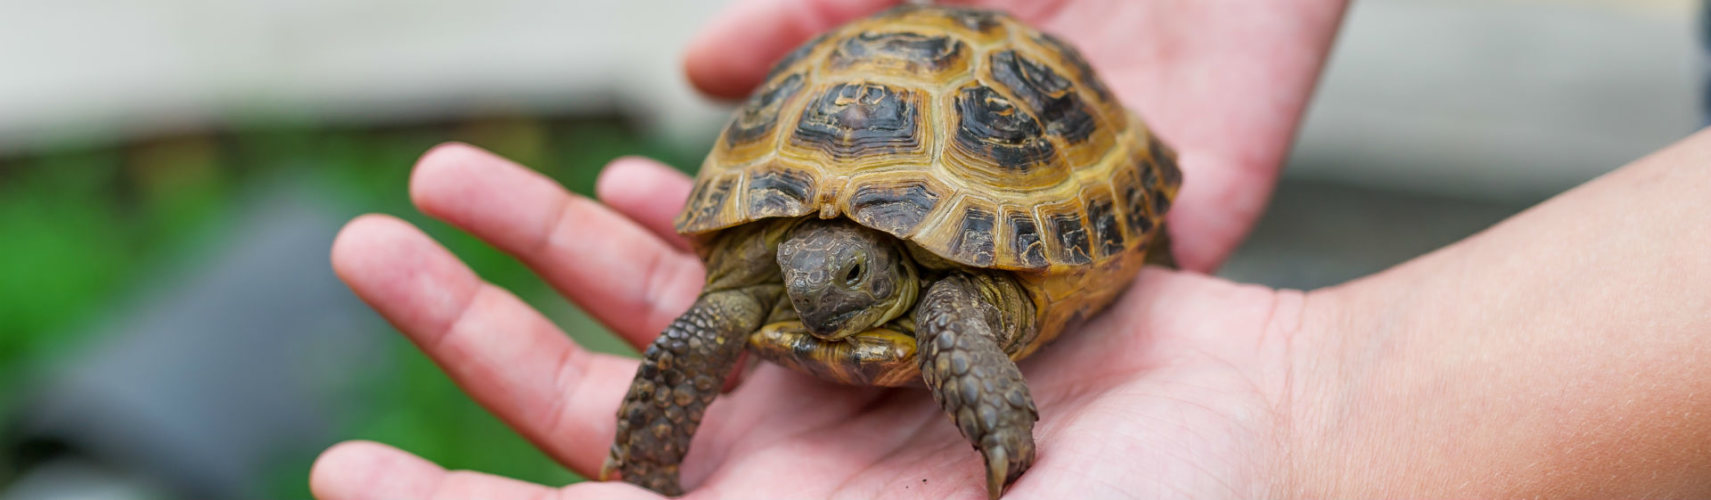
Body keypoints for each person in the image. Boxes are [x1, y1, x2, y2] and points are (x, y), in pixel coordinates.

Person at [307, 0, 1711, 497]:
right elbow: (707, 325)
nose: (812, 292)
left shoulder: (953, 296)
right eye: (799, 273)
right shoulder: (774, 273)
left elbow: (950, 321)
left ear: (885, 269)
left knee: (950, 328)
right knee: (705, 328)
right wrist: (653, 451)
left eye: (842, 277)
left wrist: (1003, 441)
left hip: (1010, 156)